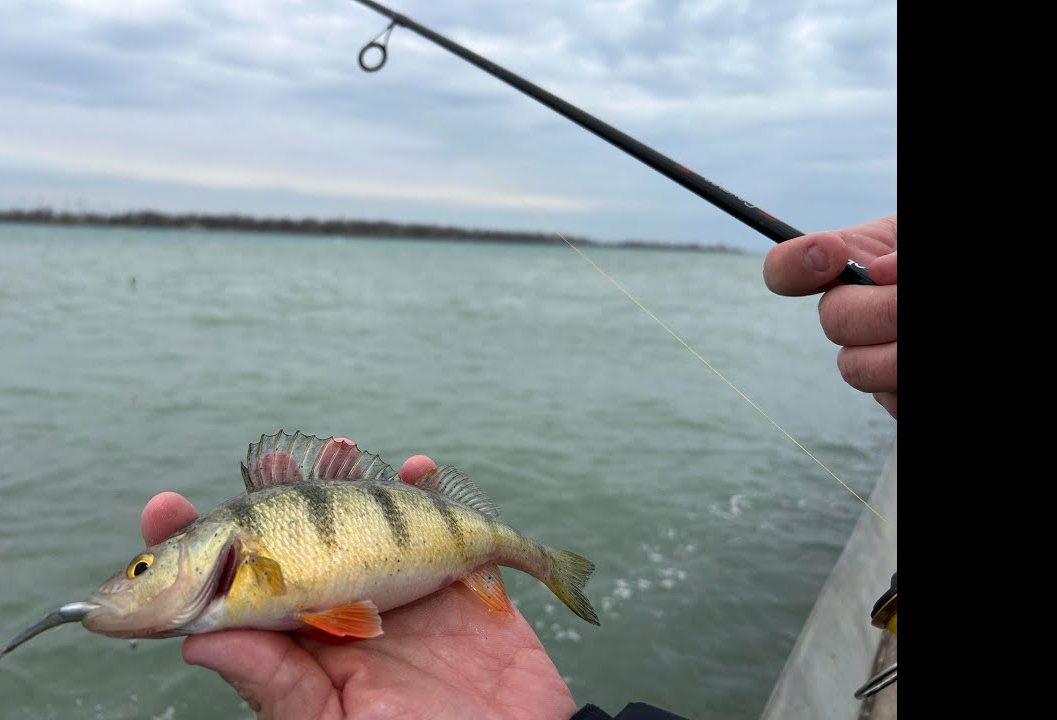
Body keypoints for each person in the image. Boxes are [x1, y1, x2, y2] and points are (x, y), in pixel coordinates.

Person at [138, 215, 897, 719]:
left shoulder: (237, 564)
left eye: (146, 568)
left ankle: (543, 564)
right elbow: (348, 616)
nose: (139, 574)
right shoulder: (232, 576)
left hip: (437, 553)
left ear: (196, 553)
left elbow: (350, 613)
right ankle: (543, 564)